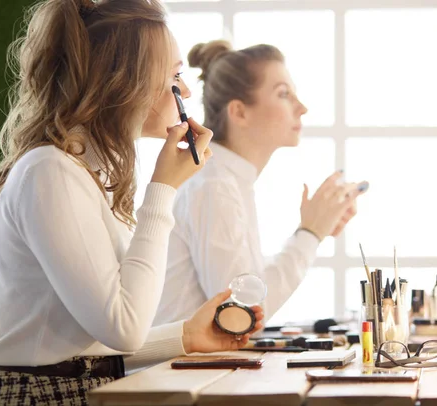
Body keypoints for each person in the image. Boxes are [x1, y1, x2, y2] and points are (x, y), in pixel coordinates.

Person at [0, 2, 262, 404]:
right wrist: (163, 189)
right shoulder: (51, 171)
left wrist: (185, 336)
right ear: (128, 82)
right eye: (176, 75)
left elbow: (90, 345)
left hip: (78, 385)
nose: (185, 91)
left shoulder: (84, 172)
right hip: (37, 395)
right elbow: (123, 328)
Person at [154, 40, 367, 326]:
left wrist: (316, 229)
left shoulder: (227, 181)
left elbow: (247, 287)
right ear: (239, 112)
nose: (302, 107)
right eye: (283, 94)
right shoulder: (214, 185)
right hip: (177, 369)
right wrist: (310, 233)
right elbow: (240, 314)